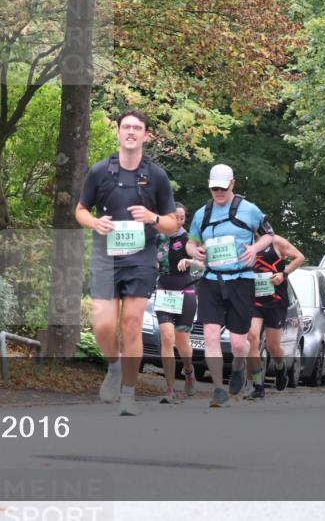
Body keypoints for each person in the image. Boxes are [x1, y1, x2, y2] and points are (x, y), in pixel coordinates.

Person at [76, 109, 177, 416]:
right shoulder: (99, 172)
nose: (131, 132)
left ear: (146, 135)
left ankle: (129, 395)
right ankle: (115, 366)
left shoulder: (157, 176)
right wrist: (95, 223)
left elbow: (172, 224)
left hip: (141, 257)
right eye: (126, 127)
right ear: (118, 133)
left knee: (132, 324)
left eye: (137, 127)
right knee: (103, 326)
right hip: (106, 256)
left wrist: (154, 218)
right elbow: (80, 211)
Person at [186, 164, 275, 408]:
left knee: (238, 343)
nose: (218, 192)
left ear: (232, 184)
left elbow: (269, 235)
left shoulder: (249, 210)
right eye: (214, 188)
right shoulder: (201, 213)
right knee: (211, 336)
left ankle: (238, 367)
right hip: (212, 280)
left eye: (223, 188)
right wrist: (197, 251)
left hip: (241, 280)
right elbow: (190, 243)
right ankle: (218, 389)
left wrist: (254, 248)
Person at [246, 234, 305, 399]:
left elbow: (299, 257)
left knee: (273, 346)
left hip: (275, 301)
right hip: (254, 300)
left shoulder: (275, 241)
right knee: (252, 338)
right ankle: (258, 384)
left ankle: (280, 366)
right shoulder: (244, 242)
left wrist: (283, 274)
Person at [155, 203, 199, 403]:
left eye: (182, 217)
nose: (178, 220)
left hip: (185, 292)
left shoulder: (189, 239)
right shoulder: (158, 237)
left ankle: (188, 370)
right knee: (166, 338)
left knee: (182, 342)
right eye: (175, 216)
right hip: (164, 291)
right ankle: (170, 389)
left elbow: (205, 264)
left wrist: (191, 262)